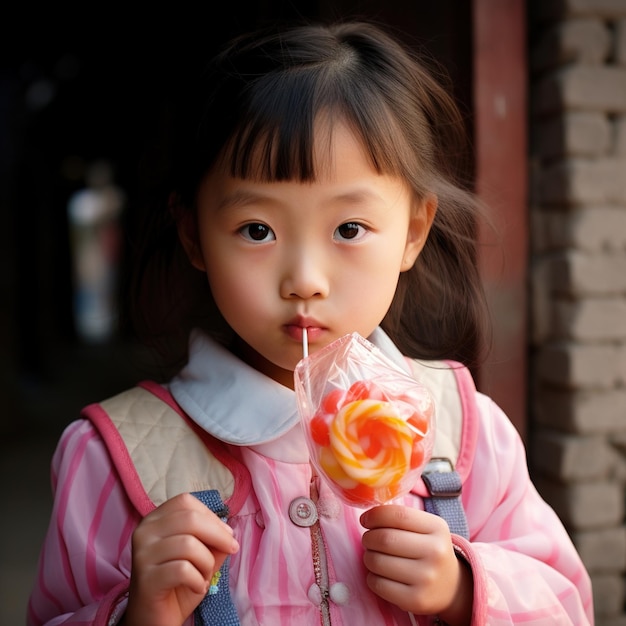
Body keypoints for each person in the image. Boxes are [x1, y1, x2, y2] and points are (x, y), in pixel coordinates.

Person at [27, 20, 593, 626]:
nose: (304, 279)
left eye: (349, 229)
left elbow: (566, 602)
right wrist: (138, 614)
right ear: (193, 234)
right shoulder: (113, 458)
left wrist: (463, 589)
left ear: (413, 232)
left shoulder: (463, 437)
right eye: (257, 230)